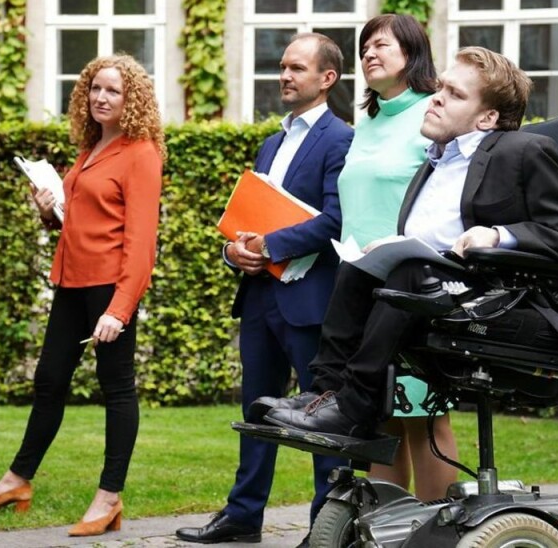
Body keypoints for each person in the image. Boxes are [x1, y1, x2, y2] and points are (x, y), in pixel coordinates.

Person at [262, 47, 558, 442]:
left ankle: (355, 410)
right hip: (436, 284)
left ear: (488, 117)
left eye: (455, 94)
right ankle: (326, 393)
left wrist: (498, 234)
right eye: (441, 87)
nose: (436, 97)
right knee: (356, 265)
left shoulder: (520, 150)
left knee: (409, 271)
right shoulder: (435, 159)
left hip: (501, 297)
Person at [0, 54, 165, 538]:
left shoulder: (141, 153)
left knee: (117, 388)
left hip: (109, 287)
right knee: (49, 379)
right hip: (71, 281)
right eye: (95, 88)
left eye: (113, 90)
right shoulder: (92, 148)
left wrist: (119, 309)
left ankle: (109, 497)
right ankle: (16, 481)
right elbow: (82, 222)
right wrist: (49, 211)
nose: (101, 97)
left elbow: (142, 242)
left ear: (131, 97)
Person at [174, 33, 352, 547]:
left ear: (327, 78)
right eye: (282, 66)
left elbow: (336, 221)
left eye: (297, 68)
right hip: (259, 297)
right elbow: (247, 219)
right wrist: (235, 251)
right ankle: (243, 518)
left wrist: (270, 243)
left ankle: (328, 528)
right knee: (256, 412)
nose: (285, 76)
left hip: (310, 300)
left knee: (322, 420)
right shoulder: (269, 143)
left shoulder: (341, 140)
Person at [330, 13, 459, 501]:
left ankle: (436, 532)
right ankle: (383, 530)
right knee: (380, 416)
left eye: (381, 45)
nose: (368, 54)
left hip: (411, 288)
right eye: (364, 47)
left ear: (413, 53)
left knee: (422, 416)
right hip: (361, 286)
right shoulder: (370, 120)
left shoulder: (432, 113)